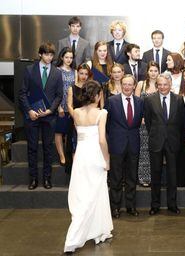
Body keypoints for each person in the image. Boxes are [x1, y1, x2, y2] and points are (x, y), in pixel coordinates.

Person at [63, 80, 112, 253]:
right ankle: (79, 236)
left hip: (81, 156)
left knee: (83, 194)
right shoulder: (102, 113)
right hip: (95, 155)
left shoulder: (75, 112)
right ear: (98, 95)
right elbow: (101, 140)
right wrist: (107, 159)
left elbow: (79, 136)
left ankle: (100, 231)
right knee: (96, 193)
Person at [18, 42, 63, 190]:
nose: (49, 57)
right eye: (46, 54)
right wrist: (29, 111)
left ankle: (47, 179)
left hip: (49, 116)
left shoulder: (57, 72)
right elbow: (22, 93)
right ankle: (33, 179)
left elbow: (59, 95)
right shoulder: (30, 70)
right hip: (32, 116)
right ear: (40, 54)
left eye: (51, 55)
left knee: (48, 149)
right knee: (32, 148)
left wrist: (50, 110)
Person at [145, 73, 185, 215]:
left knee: (172, 175)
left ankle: (172, 204)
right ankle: (154, 205)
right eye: (160, 84)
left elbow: (181, 121)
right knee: (155, 174)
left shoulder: (179, 100)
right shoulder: (150, 100)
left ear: (170, 85)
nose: (162, 87)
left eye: (165, 84)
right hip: (156, 141)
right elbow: (149, 122)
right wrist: (157, 134)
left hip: (173, 141)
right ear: (157, 85)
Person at [105, 75, 144, 218]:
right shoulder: (111, 101)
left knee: (131, 178)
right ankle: (115, 208)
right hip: (116, 145)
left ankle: (131, 206)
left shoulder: (140, 102)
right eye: (124, 84)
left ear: (134, 86)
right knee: (115, 178)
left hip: (133, 144)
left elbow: (138, 122)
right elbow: (106, 125)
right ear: (121, 85)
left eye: (130, 84)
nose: (127, 87)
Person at [135, 61, 159, 187]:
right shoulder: (141, 84)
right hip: (143, 123)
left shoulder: (161, 85)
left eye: (155, 70)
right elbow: (136, 103)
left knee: (155, 151)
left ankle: (154, 178)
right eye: (151, 70)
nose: (153, 73)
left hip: (157, 124)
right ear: (147, 72)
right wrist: (141, 117)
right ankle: (143, 178)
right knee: (143, 151)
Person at [66, 64, 94, 171]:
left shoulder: (91, 88)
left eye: (86, 74)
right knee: (75, 147)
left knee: (88, 149)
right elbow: (69, 105)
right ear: (77, 73)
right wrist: (76, 118)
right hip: (75, 122)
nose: (83, 76)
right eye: (81, 73)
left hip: (89, 122)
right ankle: (76, 173)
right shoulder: (72, 88)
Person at [55, 47, 76, 167]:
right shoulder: (56, 71)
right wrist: (58, 107)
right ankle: (62, 156)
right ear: (62, 57)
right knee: (59, 132)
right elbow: (54, 91)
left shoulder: (75, 71)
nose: (69, 59)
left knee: (69, 132)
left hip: (72, 106)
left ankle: (68, 155)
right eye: (66, 57)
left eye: (71, 57)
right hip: (60, 106)